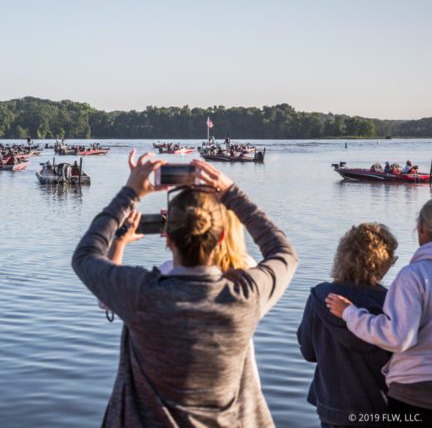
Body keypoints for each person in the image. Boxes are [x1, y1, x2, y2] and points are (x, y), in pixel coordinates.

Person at [72, 151, 298, 427]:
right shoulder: (245, 295)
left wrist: (131, 192)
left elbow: (85, 256)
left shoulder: (142, 294)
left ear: (167, 238)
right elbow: (284, 254)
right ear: (221, 237)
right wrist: (231, 194)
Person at [327, 200, 432, 423]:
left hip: (416, 391)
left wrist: (350, 313)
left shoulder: (414, 276)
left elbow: (398, 337)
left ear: (421, 228)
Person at [298, 223, 396, 427]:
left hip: (332, 408)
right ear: (381, 263)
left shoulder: (320, 297)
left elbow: (308, 352)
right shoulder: (390, 302)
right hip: (378, 409)